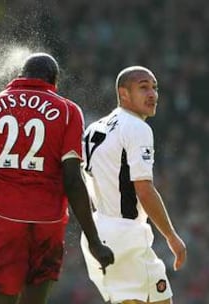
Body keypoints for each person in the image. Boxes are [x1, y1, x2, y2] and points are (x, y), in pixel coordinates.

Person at [0, 52, 114, 304]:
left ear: (20, 76)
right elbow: (73, 181)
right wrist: (95, 241)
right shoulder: (67, 111)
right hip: (48, 225)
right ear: (54, 82)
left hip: (4, 223)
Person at [80, 66, 187, 304]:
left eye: (154, 87)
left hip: (100, 231)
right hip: (124, 235)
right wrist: (171, 236)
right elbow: (144, 189)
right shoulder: (137, 128)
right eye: (143, 87)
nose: (152, 94)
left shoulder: (92, 128)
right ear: (123, 94)